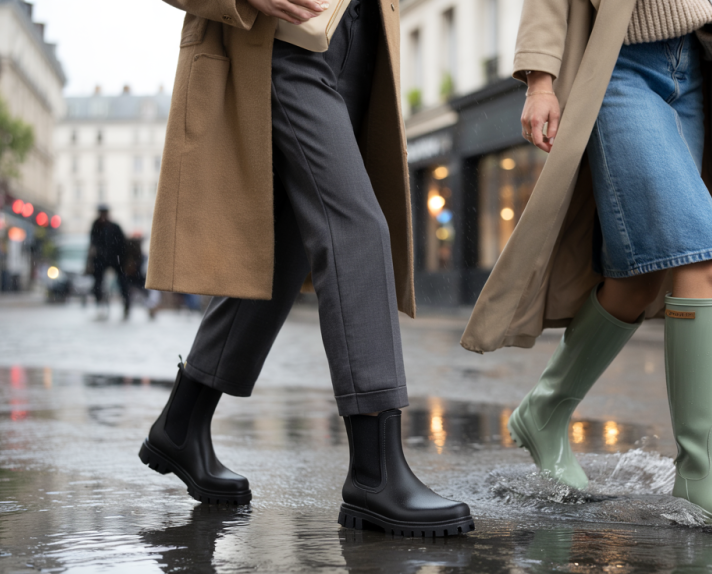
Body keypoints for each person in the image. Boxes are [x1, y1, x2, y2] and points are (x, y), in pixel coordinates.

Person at [139, 0, 474, 537]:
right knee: (356, 230)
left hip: (359, 40)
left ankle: (182, 422)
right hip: (282, 40)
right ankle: (375, 471)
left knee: (282, 248)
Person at [461, 0, 712, 529]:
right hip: (617, 69)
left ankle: (543, 411)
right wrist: (540, 81)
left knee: (642, 277)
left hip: (695, 67)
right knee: (703, 257)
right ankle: (700, 470)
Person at [88, 204, 130, 319]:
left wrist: (122, 259)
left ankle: (126, 305)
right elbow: (92, 244)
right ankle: (99, 306)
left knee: (122, 282)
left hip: (115, 259)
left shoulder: (114, 227)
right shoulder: (96, 226)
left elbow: (122, 244)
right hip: (101, 259)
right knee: (98, 283)